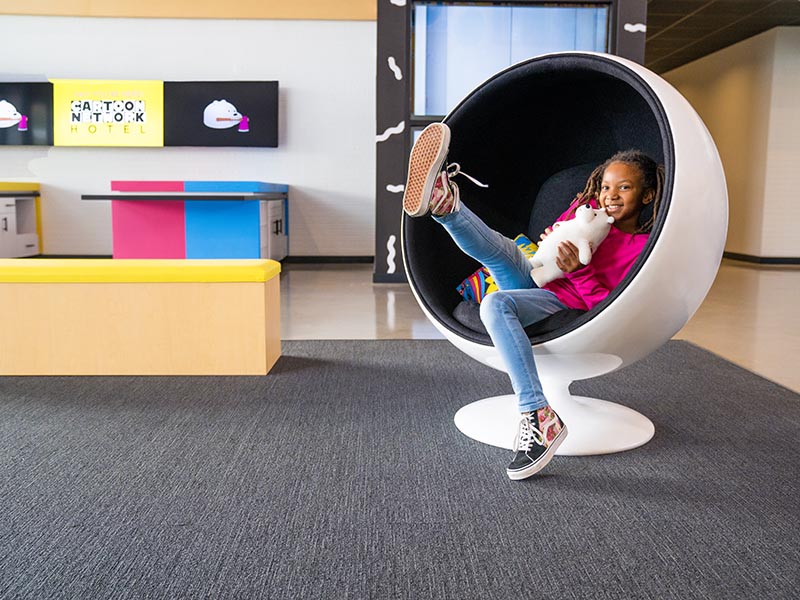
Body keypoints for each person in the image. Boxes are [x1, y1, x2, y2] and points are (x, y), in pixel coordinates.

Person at [403, 122, 664, 481]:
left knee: (495, 304)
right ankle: (446, 205)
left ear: (646, 196)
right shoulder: (587, 214)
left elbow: (611, 307)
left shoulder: (641, 247)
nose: (610, 196)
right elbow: (553, 246)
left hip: (564, 304)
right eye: (605, 187)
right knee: (505, 252)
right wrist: (553, 238)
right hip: (540, 280)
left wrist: (578, 272)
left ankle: (538, 415)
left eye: (624, 187)